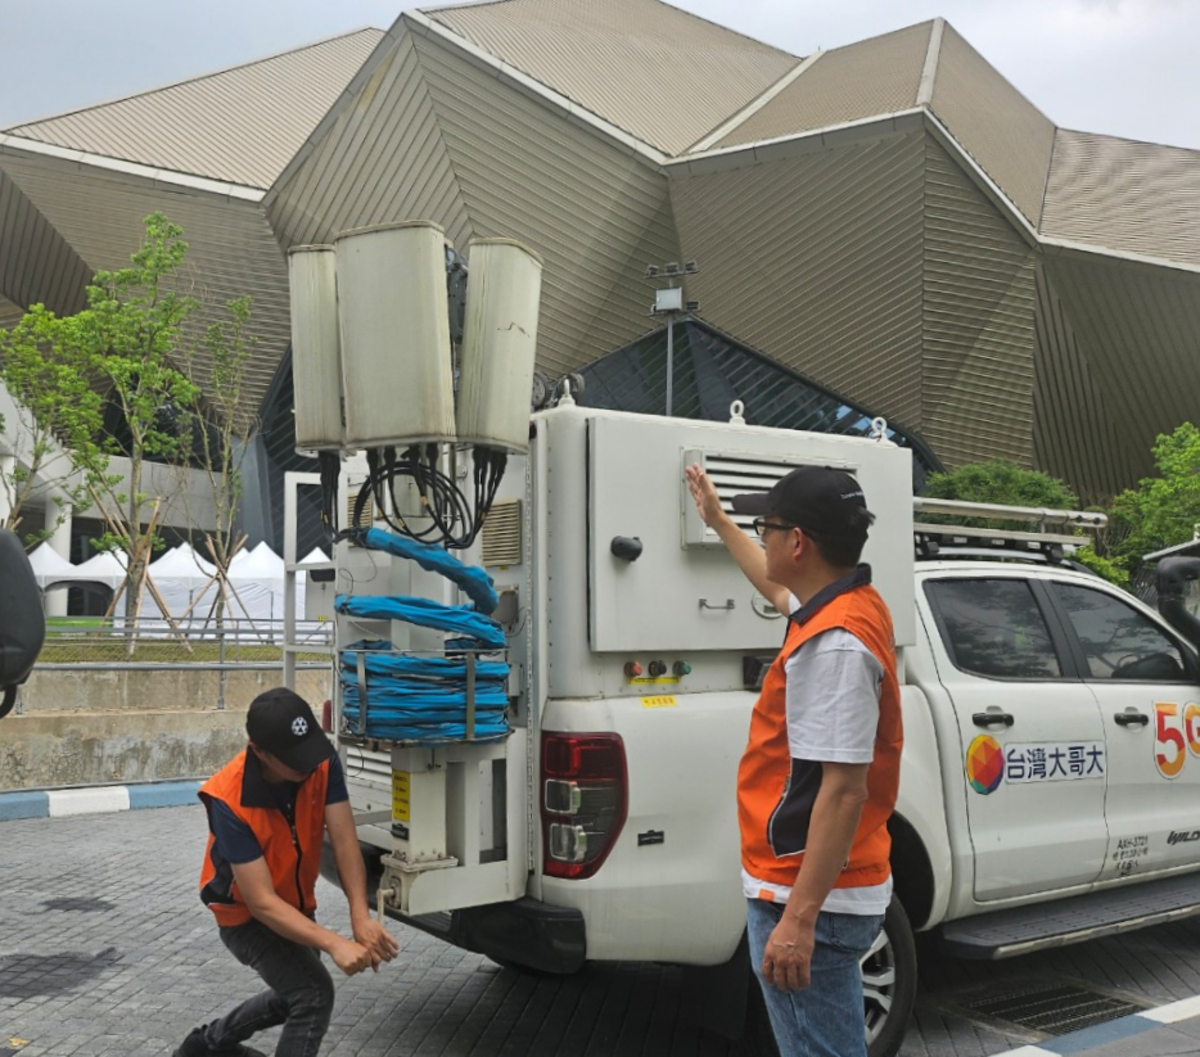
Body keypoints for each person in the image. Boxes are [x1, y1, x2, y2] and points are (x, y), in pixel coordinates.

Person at [685, 463, 902, 1057]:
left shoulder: (835, 646)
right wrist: (720, 521)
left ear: (798, 542)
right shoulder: (845, 603)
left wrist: (799, 920)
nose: (763, 538)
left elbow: (843, 791)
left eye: (767, 527)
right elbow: (778, 588)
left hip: (808, 894)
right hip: (818, 886)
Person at [175, 687, 399, 1057]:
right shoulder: (228, 800)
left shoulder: (321, 764)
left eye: (310, 752)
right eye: (296, 761)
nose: (308, 766)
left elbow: (345, 842)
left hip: (296, 907)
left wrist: (359, 915)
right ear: (259, 751)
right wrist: (333, 941)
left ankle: (205, 1046)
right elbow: (261, 903)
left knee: (293, 994)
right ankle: (206, 1045)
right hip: (244, 919)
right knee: (313, 993)